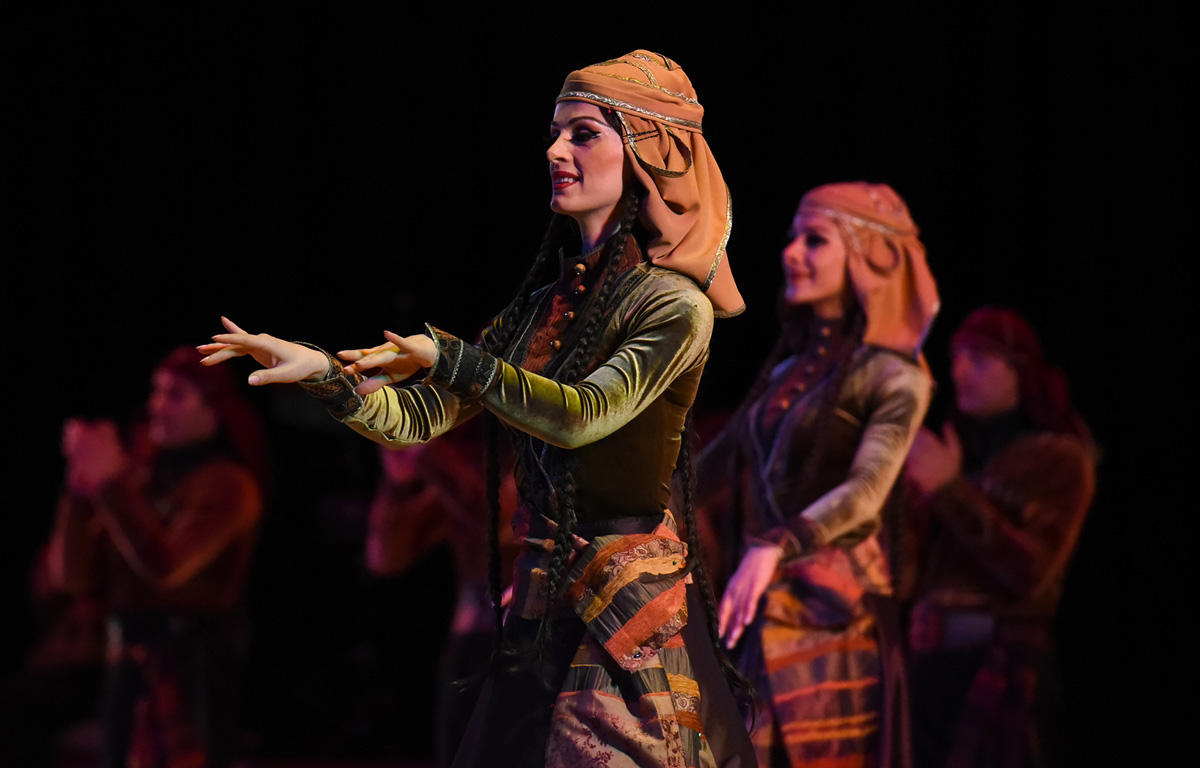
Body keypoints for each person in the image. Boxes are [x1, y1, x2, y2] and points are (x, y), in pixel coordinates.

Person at [199, 50, 754, 768]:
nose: (555, 150)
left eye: (583, 134)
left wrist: (458, 360)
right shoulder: (543, 308)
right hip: (542, 600)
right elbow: (418, 420)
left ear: (649, 154)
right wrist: (324, 373)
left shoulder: (674, 305)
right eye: (554, 134)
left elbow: (582, 415)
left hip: (623, 606)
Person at [696, 182, 939, 768]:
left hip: (836, 622)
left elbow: (867, 490)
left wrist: (776, 546)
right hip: (762, 615)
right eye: (793, 238)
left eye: (815, 240)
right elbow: (700, 477)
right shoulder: (786, 372)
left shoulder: (895, 376)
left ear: (868, 254)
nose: (791, 253)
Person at [48, 346, 265, 768]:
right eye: (157, 392)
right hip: (127, 665)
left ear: (213, 410)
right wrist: (79, 490)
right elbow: (73, 578)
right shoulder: (143, 480)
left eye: (176, 395)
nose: (157, 407)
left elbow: (166, 568)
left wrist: (110, 482)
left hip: (189, 675)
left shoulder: (229, 485)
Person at [901, 307, 1095, 768]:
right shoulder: (954, 452)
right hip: (928, 674)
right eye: (957, 357)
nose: (960, 371)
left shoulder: (1058, 459)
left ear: (1020, 373)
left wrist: (949, 491)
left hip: (999, 672)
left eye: (981, 359)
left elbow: (1029, 572)